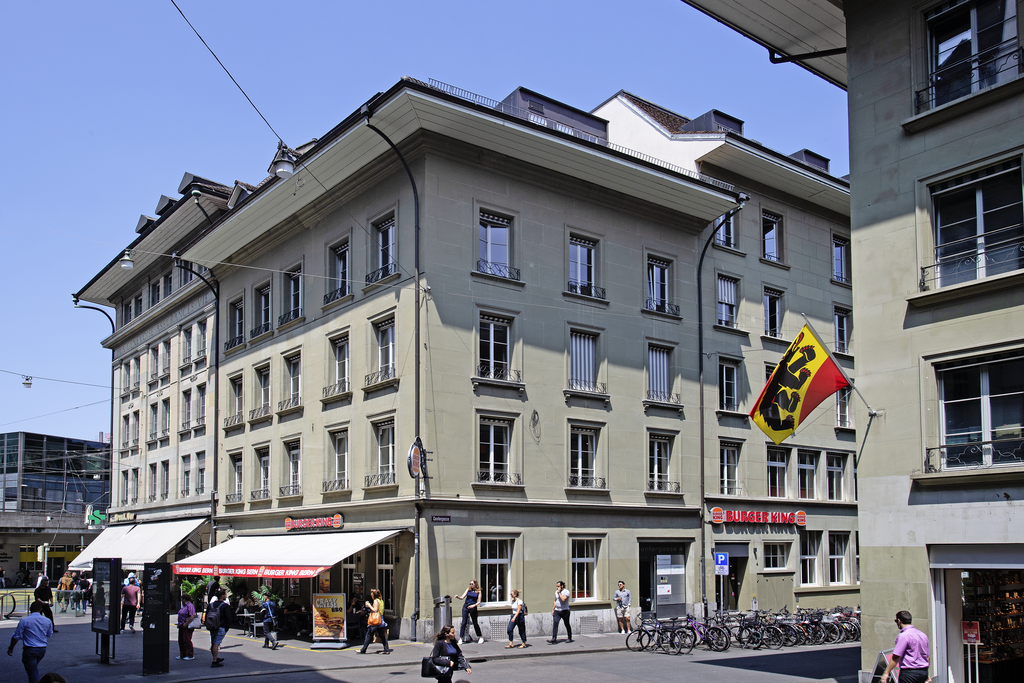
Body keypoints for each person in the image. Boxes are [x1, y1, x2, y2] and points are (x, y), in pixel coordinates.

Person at [7, 601, 54, 683]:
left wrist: (11, 647)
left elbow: (16, 636)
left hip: (30, 648)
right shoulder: (47, 621)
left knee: (32, 671)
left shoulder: (25, 621)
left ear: (30, 609)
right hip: (42, 648)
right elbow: (49, 634)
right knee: (33, 668)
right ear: (41, 609)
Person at [881, 610, 930, 683]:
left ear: (899, 621)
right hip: (923, 672)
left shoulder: (903, 636)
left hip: (909, 673)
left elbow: (896, 657)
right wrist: (926, 673)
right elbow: (927, 657)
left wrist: (886, 672)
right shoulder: (923, 635)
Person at [358, 588, 391, 654]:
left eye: (372, 593)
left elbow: (375, 610)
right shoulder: (381, 600)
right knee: (382, 635)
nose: (371, 594)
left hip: (375, 619)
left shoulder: (376, 601)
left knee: (369, 634)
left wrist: (369, 605)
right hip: (380, 619)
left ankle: (363, 650)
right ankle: (386, 649)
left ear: (374, 594)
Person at [208, 588, 232, 668]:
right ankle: (214, 661)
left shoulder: (211, 605)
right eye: (225, 594)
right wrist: (227, 628)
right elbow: (228, 618)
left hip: (212, 626)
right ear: (222, 596)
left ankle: (215, 657)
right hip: (221, 626)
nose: (226, 596)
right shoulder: (225, 606)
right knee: (216, 643)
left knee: (213, 642)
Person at [455, 579, 483, 645]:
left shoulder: (478, 591)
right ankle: (461, 638)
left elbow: (479, 602)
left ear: (475, 584)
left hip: (473, 607)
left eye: (472, 584)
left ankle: (480, 637)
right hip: (466, 606)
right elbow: (462, 597)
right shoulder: (468, 589)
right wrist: (458, 597)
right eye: (470, 584)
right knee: (463, 622)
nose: (471, 585)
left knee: (475, 622)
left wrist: (473, 605)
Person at [175, 593, 197, 660]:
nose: (181, 600)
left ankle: (190, 654)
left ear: (184, 599)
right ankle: (183, 654)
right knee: (181, 640)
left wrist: (186, 623)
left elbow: (192, 615)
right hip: (181, 625)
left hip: (187, 626)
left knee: (186, 640)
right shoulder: (184, 606)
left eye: (182, 599)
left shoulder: (190, 605)